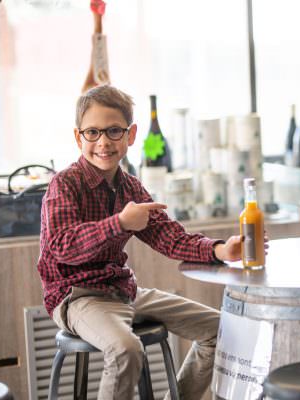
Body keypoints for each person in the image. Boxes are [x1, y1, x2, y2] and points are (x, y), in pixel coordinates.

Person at [37, 85, 266, 400]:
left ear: (130, 136)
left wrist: (219, 250)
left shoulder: (130, 187)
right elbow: (62, 247)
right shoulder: (64, 184)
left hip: (122, 291)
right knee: (126, 348)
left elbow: (168, 236)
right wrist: (118, 223)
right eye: (92, 132)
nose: (103, 142)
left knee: (224, 329)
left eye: (114, 131)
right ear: (79, 138)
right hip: (76, 297)